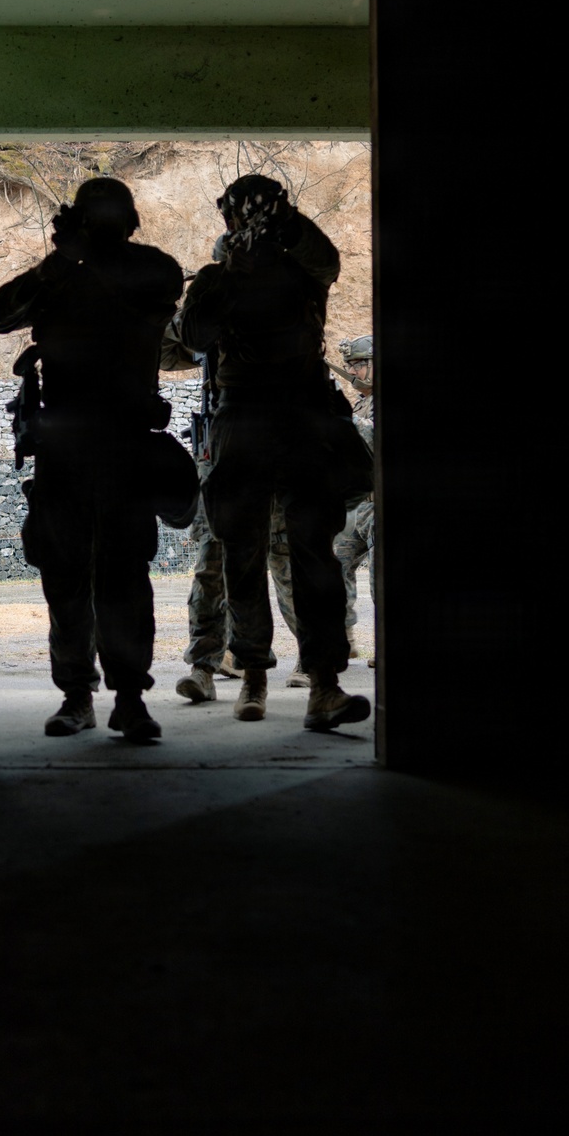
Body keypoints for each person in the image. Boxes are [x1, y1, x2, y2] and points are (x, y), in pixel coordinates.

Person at [0, 177, 197, 743]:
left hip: (124, 446)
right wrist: (60, 263)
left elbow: (158, 287)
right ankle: (77, 695)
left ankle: (128, 699)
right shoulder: (61, 275)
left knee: (123, 577)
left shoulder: (149, 269)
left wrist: (75, 261)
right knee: (66, 577)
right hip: (65, 449)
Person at [178, 175, 373, 731]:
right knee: (241, 554)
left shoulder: (302, 269)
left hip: (298, 416)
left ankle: (324, 683)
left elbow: (327, 260)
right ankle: (255, 676)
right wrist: (228, 272)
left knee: (313, 555)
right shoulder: (219, 275)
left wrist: (285, 224)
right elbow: (193, 334)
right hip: (244, 416)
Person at [160, 304, 307, 702]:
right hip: (222, 453)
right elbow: (163, 351)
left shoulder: (284, 308)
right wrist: (192, 315)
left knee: (286, 560)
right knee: (212, 562)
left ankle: (310, 659)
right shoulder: (212, 324)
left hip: (280, 450)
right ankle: (204, 666)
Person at [330, 334, 377, 669]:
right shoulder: (362, 402)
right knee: (335, 565)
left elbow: (373, 436)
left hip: (379, 505)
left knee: (380, 578)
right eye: (349, 365)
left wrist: (345, 420)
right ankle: (343, 640)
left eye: (357, 365)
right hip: (359, 505)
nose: (352, 372)